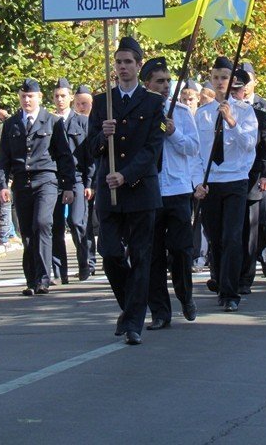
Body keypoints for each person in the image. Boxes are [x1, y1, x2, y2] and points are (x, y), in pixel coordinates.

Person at [88, 37, 165, 344]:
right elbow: (90, 149)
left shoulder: (153, 102)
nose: (122, 67)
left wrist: (126, 175)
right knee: (110, 255)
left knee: (142, 256)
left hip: (139, 189)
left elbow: (152, 149)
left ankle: (133, 322)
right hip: (109, 190)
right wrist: (100, 136)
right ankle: (131, 306)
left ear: (138, 65)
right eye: (118, 62)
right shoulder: (101, 101)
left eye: (128, 62)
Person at [0, 79, 76, 295]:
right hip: (22, 181)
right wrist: (2, 184)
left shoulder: (52, 121)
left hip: (46, 179)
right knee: (28, 231)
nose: (27, 100)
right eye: (23, 96)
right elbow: (4, 158)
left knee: (42, 223)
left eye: (31, 96)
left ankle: (43, 277)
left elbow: (64, 156)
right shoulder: (11, 124)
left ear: (39, 98)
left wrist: (68, 185)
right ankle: (31, 280)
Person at [195, 56, 258, 312]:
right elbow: (198, 152)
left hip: (235, 180)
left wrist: (232, 122)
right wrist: (198, 182)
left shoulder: (244, 111)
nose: (220, 82)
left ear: (233, 82)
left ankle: (231, 292)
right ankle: (220, 281)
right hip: (212, 182)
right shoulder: (202, 113)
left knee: (233, 237)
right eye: (217, 77)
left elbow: (250, 145)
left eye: (225, 77)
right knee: (216, 237)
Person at [142, 58, 200, 330]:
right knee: (152, 255)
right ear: (147, 85)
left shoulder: (181, 111)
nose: (166, 86)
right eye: (159, 81)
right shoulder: (140, 111)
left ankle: (185, 296)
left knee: (180, 250)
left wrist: (173, 132)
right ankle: (160, 311)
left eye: (167, 81)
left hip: (177, 189)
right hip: (150, 190)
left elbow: (193, 148)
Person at [230, 68, 266, 295]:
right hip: (226, 178)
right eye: (231, 89)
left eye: (238, 88)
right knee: (227, 230)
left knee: (249, 230)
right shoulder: (217, 111)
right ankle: (223, 275)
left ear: (246, 88)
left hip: (252, 179)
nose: (234, 92)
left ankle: (245, 277)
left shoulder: (260, 114)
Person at [51, 78, 94, 282]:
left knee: (77, 222)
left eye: (63, 96)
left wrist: (89, 183)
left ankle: (84, 263)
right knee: (56, 225)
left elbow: (89, 155)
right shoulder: (49, 121)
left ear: (71, 98)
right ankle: (60, 272)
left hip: (77, 178)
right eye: (56, 96)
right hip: (55, 179)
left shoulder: (82, 122)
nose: (60, 100)